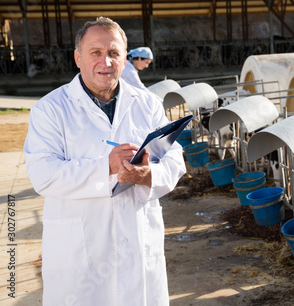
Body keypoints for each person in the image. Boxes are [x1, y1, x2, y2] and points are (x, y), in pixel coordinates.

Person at [24, 17, 186, 305]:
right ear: (78, 57)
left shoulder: (147, 104)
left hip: (138, 244)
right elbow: (43, 173)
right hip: (80, 253)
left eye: (114, 53)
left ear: (125, 59)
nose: (106, 62)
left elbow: (175, 159)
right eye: (95, 52)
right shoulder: (50, 109)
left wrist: (147, 175)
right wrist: (106, 167)